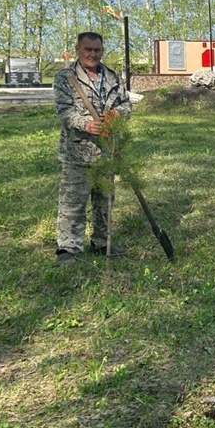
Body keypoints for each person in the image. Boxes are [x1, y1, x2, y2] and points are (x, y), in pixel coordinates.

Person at [54, 31, 132, 264]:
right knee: (73, 202)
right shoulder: (67, 77)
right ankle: (69, 248)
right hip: (78, 150)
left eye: (97, 50)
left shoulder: (112, 77)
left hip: (107, 149)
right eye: (88, 49)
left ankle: (102, 242)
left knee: (105, 201)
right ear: (78, 50)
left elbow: (126, 104)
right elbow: (64, 110)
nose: (92, 54)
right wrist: (85, 124)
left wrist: (117, 114)